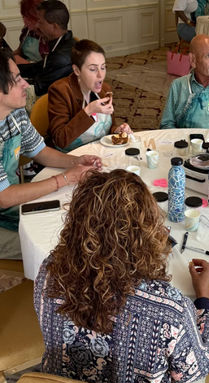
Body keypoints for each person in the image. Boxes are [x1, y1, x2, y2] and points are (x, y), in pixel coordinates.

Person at [34, 169, 209, 383]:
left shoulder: (49, 272)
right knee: (208, 355)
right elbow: (196, 367)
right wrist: (203, 301)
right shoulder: (169, 306)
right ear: (145, 234)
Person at [0, 48, 101, 259]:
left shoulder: (15, 112)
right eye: (17, 79)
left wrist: (76, 161)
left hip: (12, 202)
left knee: (80, 221)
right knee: (66, 246)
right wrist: (65, 178)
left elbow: (40, 151)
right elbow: (4, 197)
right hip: (4, 214)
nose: (26, 84)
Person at [48, 39, 131, 152]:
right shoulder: (60, 91)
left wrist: (117, 130)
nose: (100, 75)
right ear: (77, 70)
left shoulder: (105, 89)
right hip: (71, 157)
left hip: (98, 152)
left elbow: (107, 128)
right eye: (93, 69)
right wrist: (89, 111)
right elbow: (60, 139)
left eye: (103, 67)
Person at [18, 0, 75, 97]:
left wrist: (10, 80)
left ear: (54, 26)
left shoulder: (60, 57)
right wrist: (10, 70)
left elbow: (39, 88)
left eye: (40, 22)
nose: (37, 26)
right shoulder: (62, 42)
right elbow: (38, 68)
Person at [14, 0, 49, 64]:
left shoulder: (48, 34)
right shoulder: (27, 31)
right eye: (23, 16)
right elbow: (19, 51)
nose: (24, 21)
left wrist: (26, 63)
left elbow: (48, 66)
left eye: (28, 17)